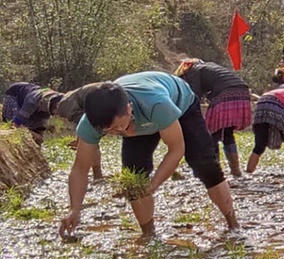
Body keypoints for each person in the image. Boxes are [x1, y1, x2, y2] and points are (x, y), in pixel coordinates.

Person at [58, 71, 238, 240]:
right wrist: (75, 209)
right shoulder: (90, 123)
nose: (117, 132)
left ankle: (233, 225)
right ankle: (148, 235)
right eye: (109, 131)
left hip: (181, 105)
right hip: (142, 118)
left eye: (119, 127)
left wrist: (154, 185)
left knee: (204, 163)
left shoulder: (157, 104)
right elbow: (80, 169)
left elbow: (176, 150)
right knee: (134, 176)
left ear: (129, 109)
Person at [174, 59, 251, 178]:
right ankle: (235, 170)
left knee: (211, 133)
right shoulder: (210, 67)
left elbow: (195, 96)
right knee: (227, 133)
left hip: (225, 93)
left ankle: (215, 170)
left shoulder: (193, 71)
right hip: (242, 92)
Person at [54, 83, 105, 179]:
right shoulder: (68, 103)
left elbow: (85, 126)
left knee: (91, 138)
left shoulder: (65, 106)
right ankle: (97, 175)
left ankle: (97, 175)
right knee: (91, 137)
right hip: (95, 97)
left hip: (95, 98)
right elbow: (85, 125)